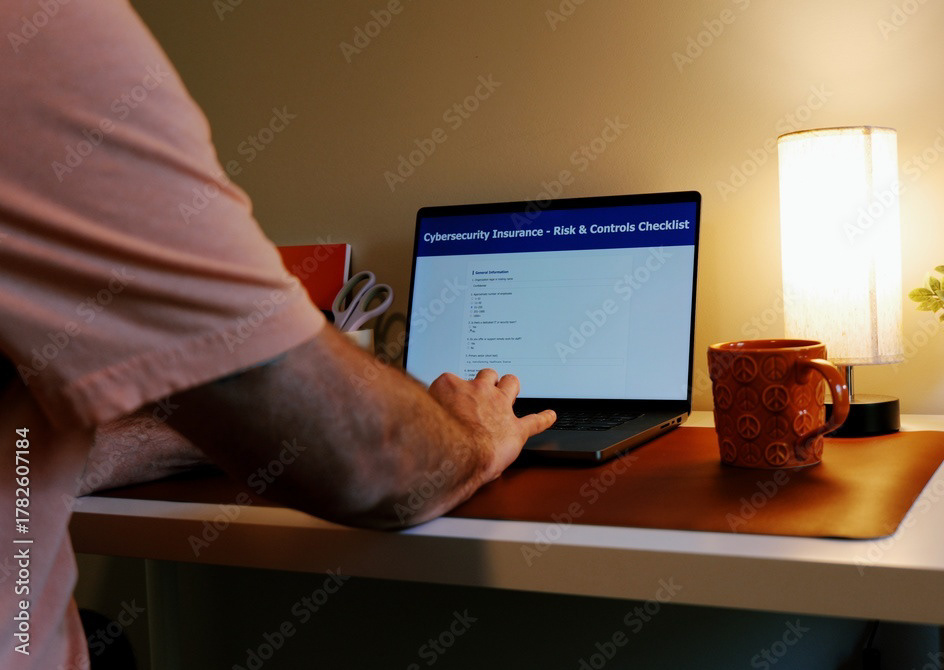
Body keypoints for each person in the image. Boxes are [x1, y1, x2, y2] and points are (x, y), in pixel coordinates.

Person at [0, 2, 554, 668]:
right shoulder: (41, 36)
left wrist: (238, 430)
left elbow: (24, 451)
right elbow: (376, 458)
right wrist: (477, 439)